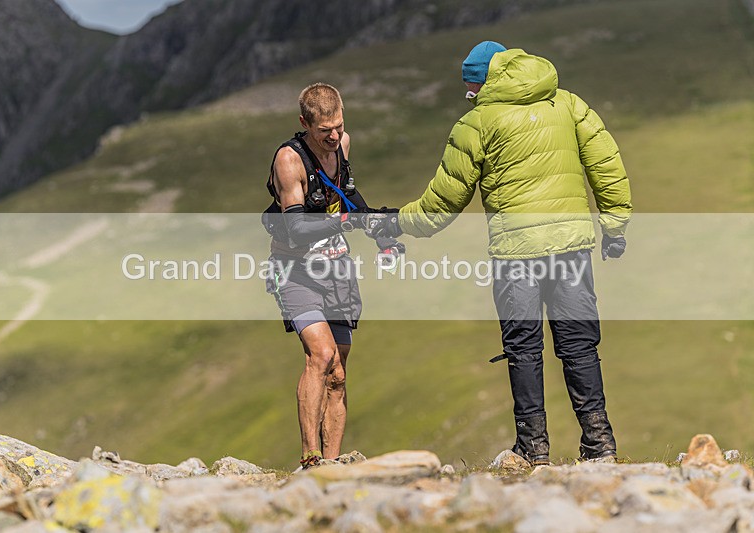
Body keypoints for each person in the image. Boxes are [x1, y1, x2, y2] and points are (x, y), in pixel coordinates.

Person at [371, 42, 632, 464]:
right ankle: (599, 444)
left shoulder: (476, 124)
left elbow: (442, 203)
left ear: (483, 80)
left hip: (516, 254)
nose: (468, 93)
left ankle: (533, 448)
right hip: (571, 247)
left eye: (469, 84)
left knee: (524, 349)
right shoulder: (567, 104)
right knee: (579, 345)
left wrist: (396, 222)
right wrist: (615, 227)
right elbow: (606, 165)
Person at [262, 83, 401, 469]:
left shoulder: (342, 145)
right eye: (325, 131)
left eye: (339, 126)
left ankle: (332, 465)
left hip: (337, 269)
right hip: (296, 272)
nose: (334, 137)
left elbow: (349, 195)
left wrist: (380, 232)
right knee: (320, 356)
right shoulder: (289, 161)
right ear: (305, 123)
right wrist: (345, 220)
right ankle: (310, 458)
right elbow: (296, 230)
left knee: (338, 374)